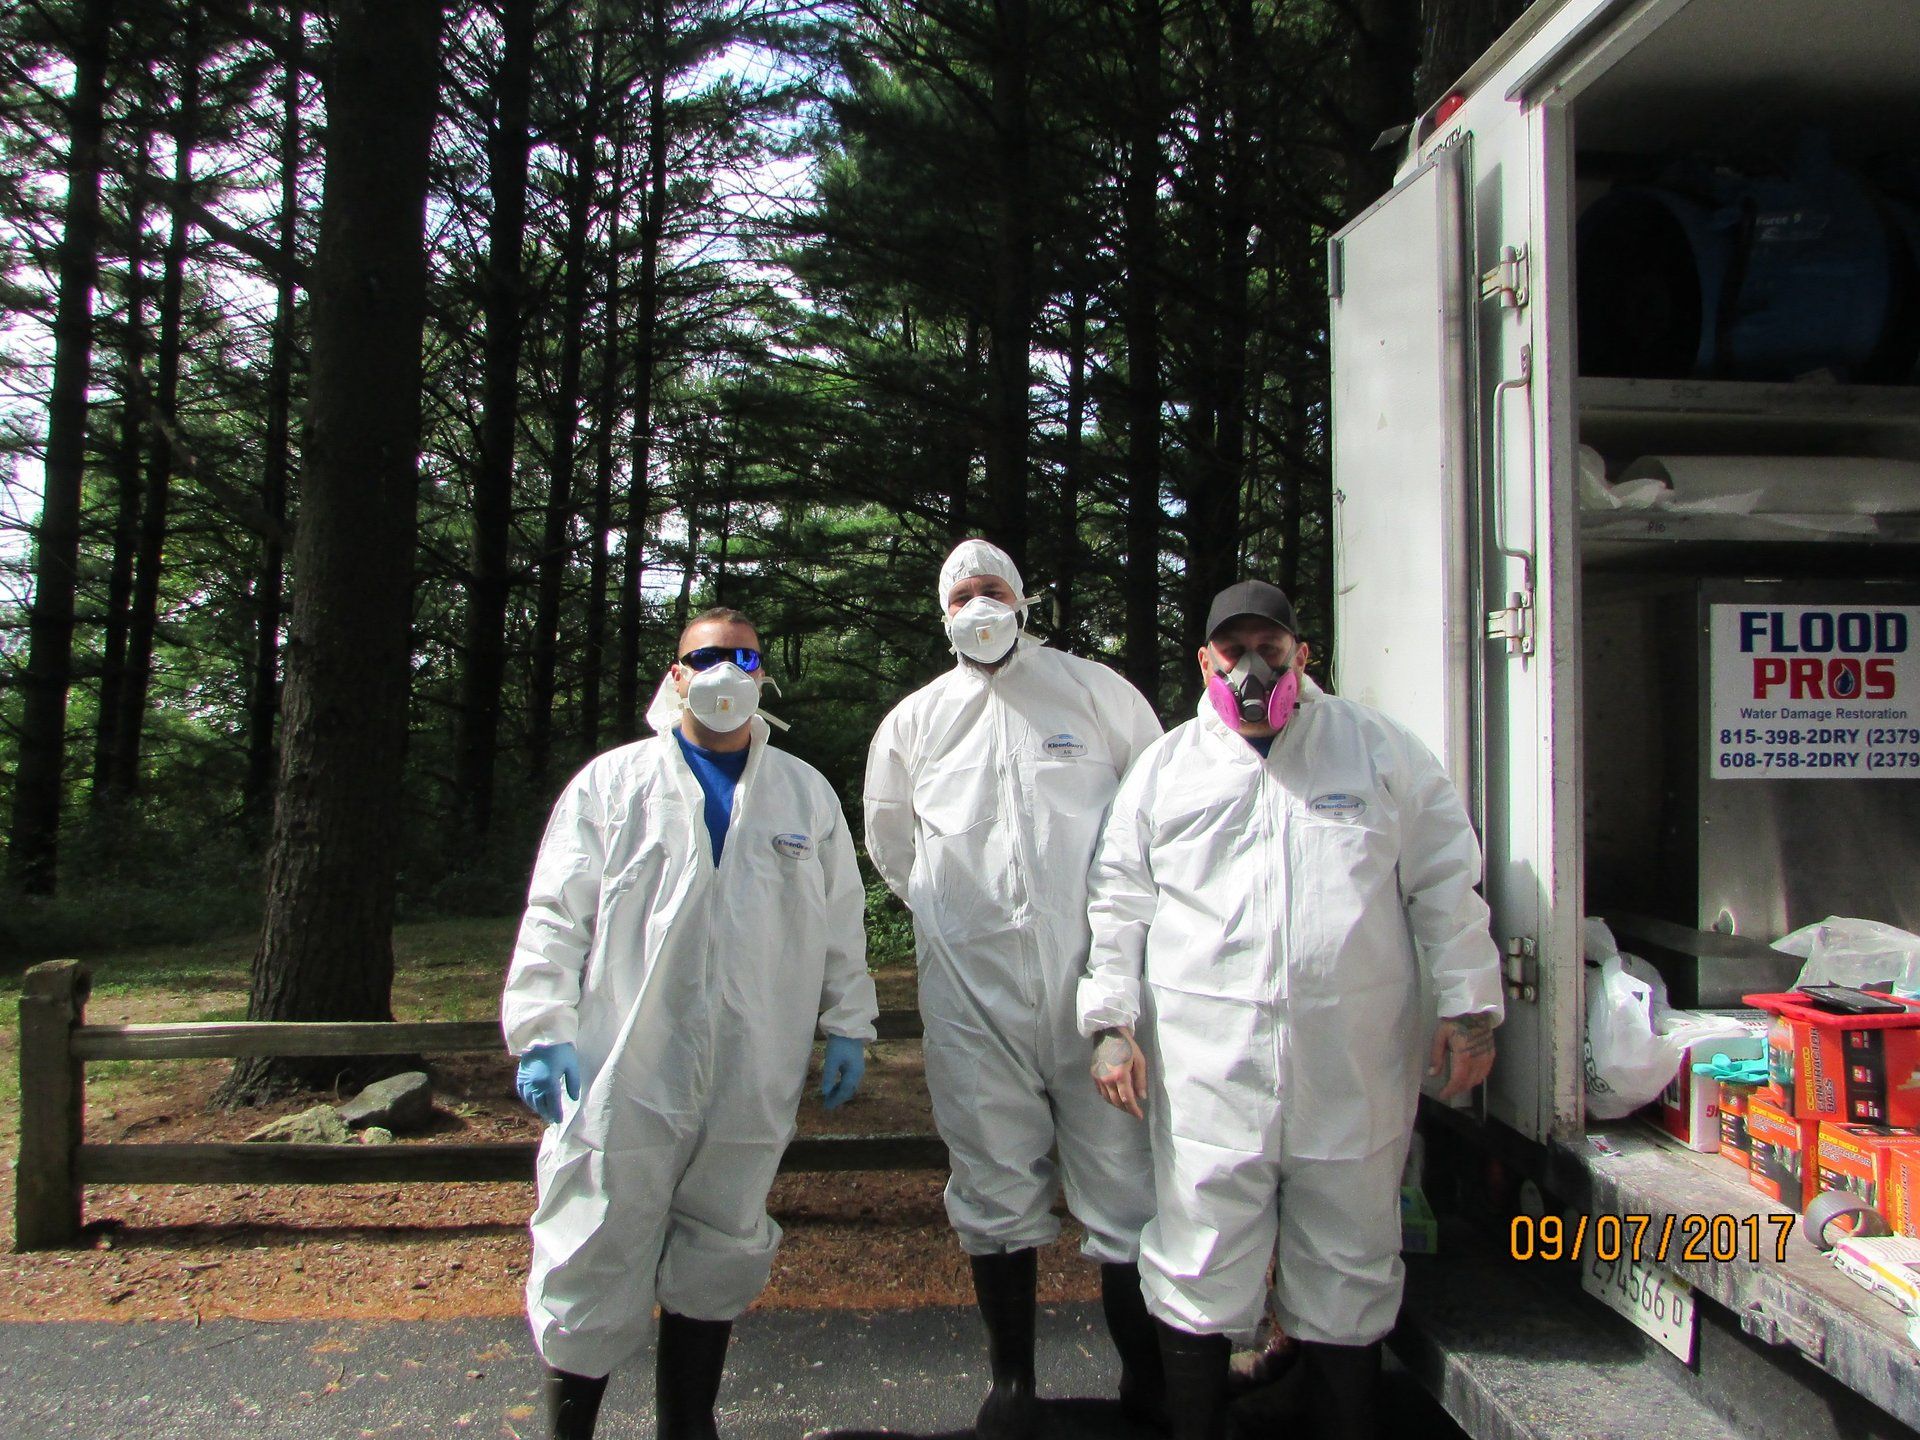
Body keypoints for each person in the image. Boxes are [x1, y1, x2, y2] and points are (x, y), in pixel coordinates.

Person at [1077, 579, 1503, 1440]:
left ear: (1302, 656)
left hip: (1351, 1066)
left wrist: (1470, 1004)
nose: (1250, 666)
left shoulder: (1377, 750)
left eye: (1269, 646)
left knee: (1349, 1260)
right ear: (1205, 662)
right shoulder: (1168, 768)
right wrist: (1111, 1025)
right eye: (1231, 650)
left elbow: (1444, 883)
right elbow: (1119, 901)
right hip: (1211, 1074)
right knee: (1200, 1258)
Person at [503, 607, 878, 1440]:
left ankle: (688, 1425)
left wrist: (848, 1018)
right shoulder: (613, 783)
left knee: (724, 1240)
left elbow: (839, 919)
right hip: (625, 1064)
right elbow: (555, 913)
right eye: (704, 657)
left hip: (754, 1064)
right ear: (675, 675)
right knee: (594, 1238)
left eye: (742, 656)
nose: (723, 672)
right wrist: (541, 1026)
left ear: (764, 677)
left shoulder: (801, 792)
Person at [863, 538, 1167, 1439]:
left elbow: (1154, 805)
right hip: (972, 999)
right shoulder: (914, 724)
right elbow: (892, 845)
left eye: (994, 589)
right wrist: (954, 920)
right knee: (993, 1186)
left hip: (1096, 989)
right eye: (962, 594)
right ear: (942, 612)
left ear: (1023, 602)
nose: (979, 605)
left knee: (1124, 1186)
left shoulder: (1092, 692)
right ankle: (1013, 1386)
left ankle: (1147, 1385)